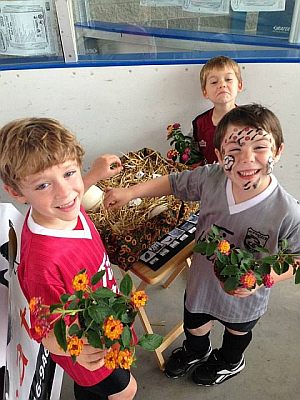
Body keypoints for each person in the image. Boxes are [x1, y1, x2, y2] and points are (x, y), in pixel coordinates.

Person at [104, 104, 300, 386]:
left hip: (246, 294)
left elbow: (296, 258)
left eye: (259, 147)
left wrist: (262, 279)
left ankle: (230, 361)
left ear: (278, 151)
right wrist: (131, 192)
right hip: (202, 280)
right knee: (195, 321)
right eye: (233, 150)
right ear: (219, 156)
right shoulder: (211, 177)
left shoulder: (287, 211)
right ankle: (197, 350)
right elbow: (173, 183)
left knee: (237, 330)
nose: (246, 159)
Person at [0, 117, 137, 400]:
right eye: (42, 186)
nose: (65, 192)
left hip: (101, 315)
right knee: (125, 391)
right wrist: (72, 349)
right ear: (15, 193)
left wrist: (93, 176)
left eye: (69, 172)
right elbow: (42, 327)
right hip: (88, 347)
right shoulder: (44, 263)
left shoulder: (59, 209)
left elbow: (69, 193)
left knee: (93, 390)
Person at [192, 55, 243, 165]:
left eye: (228, 79)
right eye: (214, 82)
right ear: (205, 92)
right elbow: (193, 159)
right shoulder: (199, 123)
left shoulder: (250, 122)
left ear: (239, 85)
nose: (222, 85)